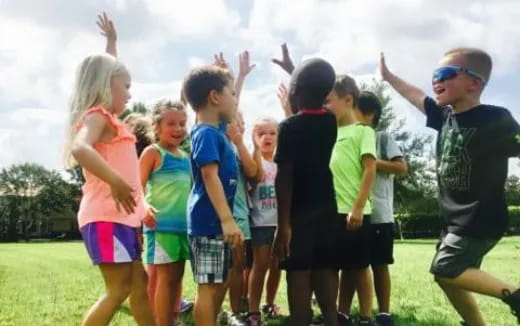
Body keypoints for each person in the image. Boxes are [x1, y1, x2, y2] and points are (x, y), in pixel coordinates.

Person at [380, 48, 520, 326]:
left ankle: (515, 296)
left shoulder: (496, 119)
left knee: (446, 269)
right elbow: (414, 95)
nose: (435, 81)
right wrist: (388, 77)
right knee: (449, 278)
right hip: (454, 219)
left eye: (444, 74)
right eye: (434, 76)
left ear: (474, 83)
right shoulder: (445, 117)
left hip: (481, 216)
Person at [65, 53, 156, 326]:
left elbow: (109, 68)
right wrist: (115, 181)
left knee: (140, 283)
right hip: (106, 217)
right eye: (126, 86)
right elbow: (80, 147)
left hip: (121, 218)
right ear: (106, 84)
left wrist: (112, 45)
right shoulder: (97, 117)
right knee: (118, 290)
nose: (130, 94)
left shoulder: (112, 121)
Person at [272, 57, 339, 326]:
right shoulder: (331, 121)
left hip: (298, 212)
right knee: (324, 267)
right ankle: (331, 320)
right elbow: (319, 89)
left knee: (298, 272)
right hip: (327, 206)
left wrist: (282, 224)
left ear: (294, 89)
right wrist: (294, 71)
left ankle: (300, 320)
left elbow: (284, 177)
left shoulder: (289, 127)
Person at [184, 65, 244, 326]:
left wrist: (234, 77)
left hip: (217, 223)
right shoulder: (206, 133)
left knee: (219, 283)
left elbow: (230, 106)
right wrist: (227, 219)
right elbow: (210, 177)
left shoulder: (217, 130)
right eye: (231, 93)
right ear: (214, 97)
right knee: (208, 288)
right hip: (209, 223)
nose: (236, 99)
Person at [355, 91, 408, 326]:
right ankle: (360, 312)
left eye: (353, 109)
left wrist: (370, 161)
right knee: (355, 265)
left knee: (380, 264)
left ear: (369, 114)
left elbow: (401, 167)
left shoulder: (383, 138)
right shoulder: (349, 139)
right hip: (355, 213)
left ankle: (384, 313)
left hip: (379, 214)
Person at [327, 75, 376, 326]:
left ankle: (366, 317)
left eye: (329, 101)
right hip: (331, 212)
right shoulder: (328, 131)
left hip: (355, 212)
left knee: (359, 267)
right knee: (337, 266)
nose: (325, 107)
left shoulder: (363, 131)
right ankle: (340, 314)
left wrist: (357, 208)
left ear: (348, 100)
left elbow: (370, 169)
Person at [139, 100, 191, 326]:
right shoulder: (153, 152)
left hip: (183, 227)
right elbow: (136, 187)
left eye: (182, 123)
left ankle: (174, 318)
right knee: (163, 278)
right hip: (159, 227)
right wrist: (143, 208)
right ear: (157, 127)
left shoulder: (186, 157)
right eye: (171, 123)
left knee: (177, 277)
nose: (178, 128)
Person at [247, 117, 282, 326]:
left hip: (279, 223)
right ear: (254, 137)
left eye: (272, 133)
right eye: (261, 133)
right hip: (260, 222)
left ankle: (269, 303)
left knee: (277, 266)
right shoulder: (255, 161)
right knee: (260, 265)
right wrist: (254, 148)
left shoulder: (281, 163)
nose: (267, 137)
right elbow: (254, 176)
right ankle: (253, 310)